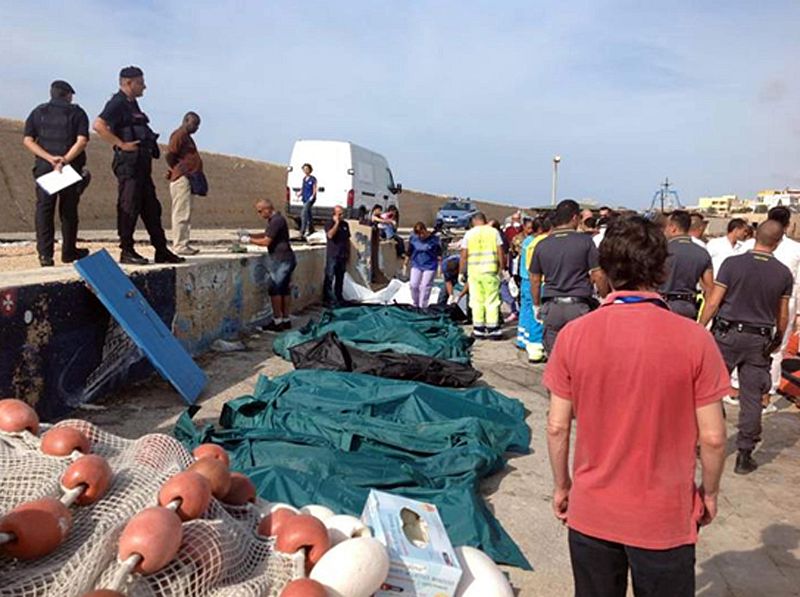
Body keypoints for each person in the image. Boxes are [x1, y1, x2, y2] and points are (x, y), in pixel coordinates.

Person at [545, 215, 728, 597]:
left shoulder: (574, 336)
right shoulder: (695, 340)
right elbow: (712, 437)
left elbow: (557, 426)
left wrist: (563, 485)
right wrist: (708, 493)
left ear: (605, 271)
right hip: (663, 517)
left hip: (593, 510)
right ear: (663, 268)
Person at [699, 220, 792, 474]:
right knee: (752, 396)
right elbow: (782, 314)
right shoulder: (783, 273)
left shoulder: (732, 263)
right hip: (759, 338)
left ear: (754, 237)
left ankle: (704, 440)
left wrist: (701, 327)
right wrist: (779, 337)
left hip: (727, 334)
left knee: (709, 390)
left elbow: (714, 301)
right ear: (778, 241)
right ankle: (744, 453)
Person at [93, 66, 183, 265]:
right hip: (128, 165)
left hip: (142, 165)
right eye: (141, 83)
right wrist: (121, 144)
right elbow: (98, 125)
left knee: (151, 208)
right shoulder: (117, 102)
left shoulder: (132, 104)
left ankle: (161, 250)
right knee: (129, 206)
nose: (145, 87)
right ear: (128, 83)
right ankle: (126, 250)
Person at [22, 80, 91, 267]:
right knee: (68, 211)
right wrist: (64, 160)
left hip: (45, 168)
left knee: (44, 211)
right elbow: (82, 141)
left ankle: (45, 255)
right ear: (67, 95)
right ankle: (69, 251)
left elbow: (28, 140)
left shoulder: (38, 112)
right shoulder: (77, 112)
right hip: (68, 168)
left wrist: (50, 158)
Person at [530, 199, 609, 355]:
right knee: (581, 357)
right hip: (578, 307)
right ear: (574, 218)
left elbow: (535, 280)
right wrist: (605, 297)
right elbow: (598, 274)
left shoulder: (542, 244)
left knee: (555, 359)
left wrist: (536, 305)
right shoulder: (586, 242)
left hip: (552, 307)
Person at [740, 206, 800, 405]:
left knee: (747, 341)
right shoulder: (796, 249)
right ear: (788, 224)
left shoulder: (749, 245)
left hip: (751, 299)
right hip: (785, 302)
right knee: (777, 349)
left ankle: (740, 385)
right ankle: (769, 390)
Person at [241, 199, 296, 331]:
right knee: (284, 289)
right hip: (287, 258)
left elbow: (266, 241)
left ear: (267, 209)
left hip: (281, 259)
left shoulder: (276, 221)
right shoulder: (276, 220)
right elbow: (267, 233)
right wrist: (249, 234)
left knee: (275, 290)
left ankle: (277, 322)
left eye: (260, 211)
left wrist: (249, 240)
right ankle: (286, 320)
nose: (260, 214)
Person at [660, 210, 714, 320]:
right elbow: (710, 290)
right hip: (688, 307)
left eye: (666, 227)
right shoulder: (702, 253)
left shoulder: (661, 250)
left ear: (673, 228)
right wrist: (702, 323)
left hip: (663, 306)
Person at [460, 212, 505, 339]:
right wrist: (502, 268)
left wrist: (461, 272)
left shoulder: (469, 234)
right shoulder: (493, 232)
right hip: (490, 271)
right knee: (491, 300)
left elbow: (464, 255)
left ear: (474, 221)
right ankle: (493, 328)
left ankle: (478, 328)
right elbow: (500, 252)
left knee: (476, 301)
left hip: (474, 272)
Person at [165, 111, 205, 255]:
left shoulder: (187, 137)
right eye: (194, 124)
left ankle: (184, 242)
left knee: (186, 212)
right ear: (186, 121)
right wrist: (176, 168)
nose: (196, 128)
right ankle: (180, 245)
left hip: (189, 178)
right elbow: (170, 154)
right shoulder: (179, 135)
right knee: (181, 212)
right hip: (182, 178)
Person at [517, 217, 547, 362]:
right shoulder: (540, 243)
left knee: (526, 310)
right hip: (535, 281)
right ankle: (534, 345)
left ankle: (522, 339)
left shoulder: (527, 241)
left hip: (525, 280)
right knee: (537, 314)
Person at [406, 222, 442, 308]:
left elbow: (439, 254)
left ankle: (423, 306)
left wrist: (440, 267)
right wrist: (405, 263)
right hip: (417, 264)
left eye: (422, 233)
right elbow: (409, 251)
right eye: (419, 234)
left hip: (430, 265)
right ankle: (416, 303)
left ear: (425, 230)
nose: (421, 236)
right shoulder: (413, 239)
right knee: (413, 284)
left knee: (425, 286)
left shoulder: (434, 240)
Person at [323, 205, 350, 306]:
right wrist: (336, 223)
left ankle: (339, 297)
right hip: (333, 255)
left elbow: (347, 240)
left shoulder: (345, 225)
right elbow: (330, 235)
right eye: (340, 214)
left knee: (340, 277)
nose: (342, 215)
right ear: (335, 214)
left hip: (342, 255)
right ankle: (328, 299)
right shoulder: (329, 223)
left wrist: (348, 253)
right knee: (329, 276)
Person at [299, 163, 317, 239]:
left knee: (304, 213)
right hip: (305, 197)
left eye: (307, 169)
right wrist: (300, 193)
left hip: (310, 198)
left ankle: (302, 231)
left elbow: (314, 187)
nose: (305, 170)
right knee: (309, 214)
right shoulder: (304, 179)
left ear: (310, 170)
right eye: (304, 169)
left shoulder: (313, 179)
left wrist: (313, 195)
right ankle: (311, 229)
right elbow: (303, 187)